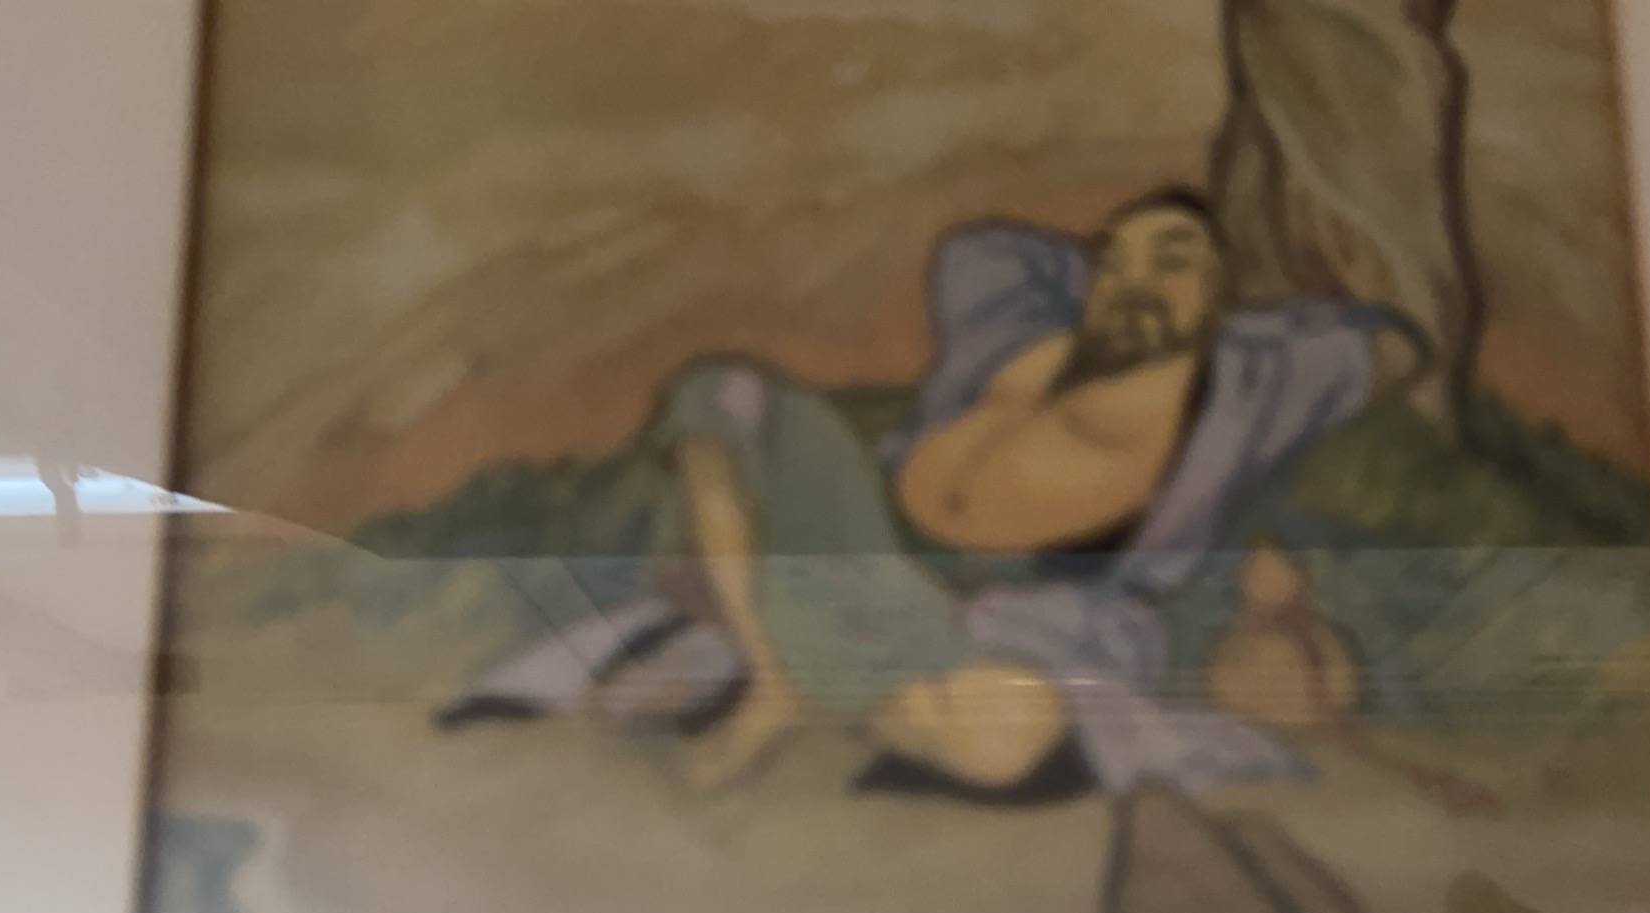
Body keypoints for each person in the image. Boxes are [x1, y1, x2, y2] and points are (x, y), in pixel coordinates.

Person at [443, 188, 1396, 797]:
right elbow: (983, 248)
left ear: (1223, 294)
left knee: (1007, 735)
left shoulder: (1244, 392)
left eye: (1174, 258)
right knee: (723, 391)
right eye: (1115, 260)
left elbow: (1380, 345)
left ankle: (809, 671)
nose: (1134, 279)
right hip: (865, 539)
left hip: (999, 613)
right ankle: (778, 677)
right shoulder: (1021, 334)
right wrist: (1107, 288)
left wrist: (1250, 330)